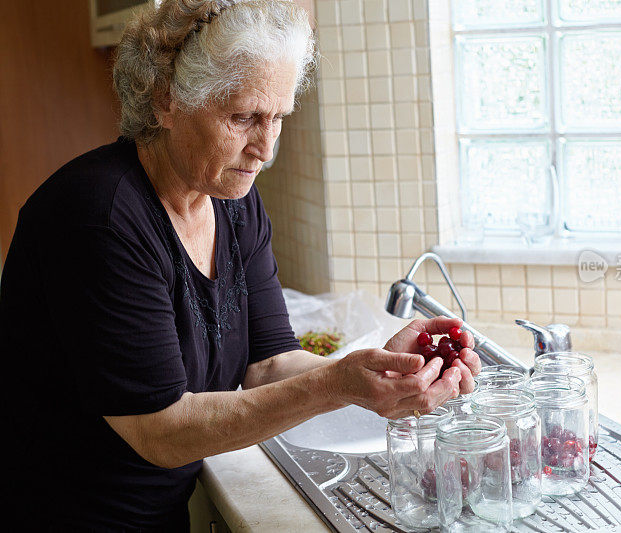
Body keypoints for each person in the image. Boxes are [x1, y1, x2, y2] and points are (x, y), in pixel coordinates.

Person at [0, 0, 480, 529]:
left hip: (156, 514)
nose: (265, 148)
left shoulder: (232, 198)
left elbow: (270, 364)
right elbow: (162, 431)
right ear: (165, 101)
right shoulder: (100, 219)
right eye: (242, 117)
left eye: (277, 118)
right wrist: (338, 385)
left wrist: (379, 369)